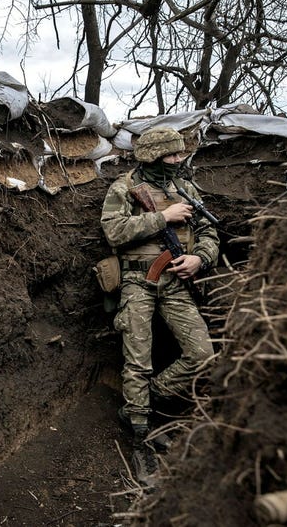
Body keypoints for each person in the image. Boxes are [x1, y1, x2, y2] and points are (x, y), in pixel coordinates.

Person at [99, 126, 219, 485]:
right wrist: (162, 218)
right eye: (171, 155)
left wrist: (200, 258)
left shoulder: (185, 189)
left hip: (176, 282)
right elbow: (114, 231)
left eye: (180, 154)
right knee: (138, 358)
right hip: (138, 281)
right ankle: (140, 434)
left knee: (203, 355)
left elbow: (210, 233)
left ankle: (144, 401)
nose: (178, 160)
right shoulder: (125, 188)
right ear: (152, 155)